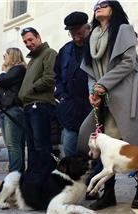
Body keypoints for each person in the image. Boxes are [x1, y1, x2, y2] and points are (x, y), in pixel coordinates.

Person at [77, 0, 138, 210]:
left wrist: (102, 85)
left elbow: (128, 62)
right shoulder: (92, 37)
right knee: (107, 144)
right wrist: (92, 92)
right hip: (105, 98)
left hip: (129, 93)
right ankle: (108, 193)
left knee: (137, 141)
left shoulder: (123, 29)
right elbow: (90, 72)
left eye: (104, 4)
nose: (98, 7)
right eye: (96, 5)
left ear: (114, 8)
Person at [18, 27, 58, 173]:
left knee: (41, 145)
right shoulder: (32, 60)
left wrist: (31, 90)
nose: (28, 43)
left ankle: (46, 179)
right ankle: (34, 179)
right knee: (32, 146)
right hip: (29, 106)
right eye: (25, 42)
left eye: (30, 39)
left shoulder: (49, 53)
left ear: (38, 37)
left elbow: (50, 77)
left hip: (40, 105)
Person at [54, 11, 92, 157]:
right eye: (72, 33)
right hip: (70, 107)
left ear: (87, 28)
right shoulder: (65, 50)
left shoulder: (96, 46)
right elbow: (56, 75)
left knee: (92, 153)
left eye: (79, 33)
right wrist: (62, 95)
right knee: (69, 150)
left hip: (92, 107)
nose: (76, 37)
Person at [0, 48, 26, 172]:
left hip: (12, 110)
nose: (4, 57)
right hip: (4, 110)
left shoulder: (19, 69)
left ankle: (15, 174)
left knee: (13, 145)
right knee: (11, 145)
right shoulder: (11, 71)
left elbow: (2, 81)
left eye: (6, 55)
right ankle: (17, 174)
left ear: (12, 56)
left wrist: (2, 73)